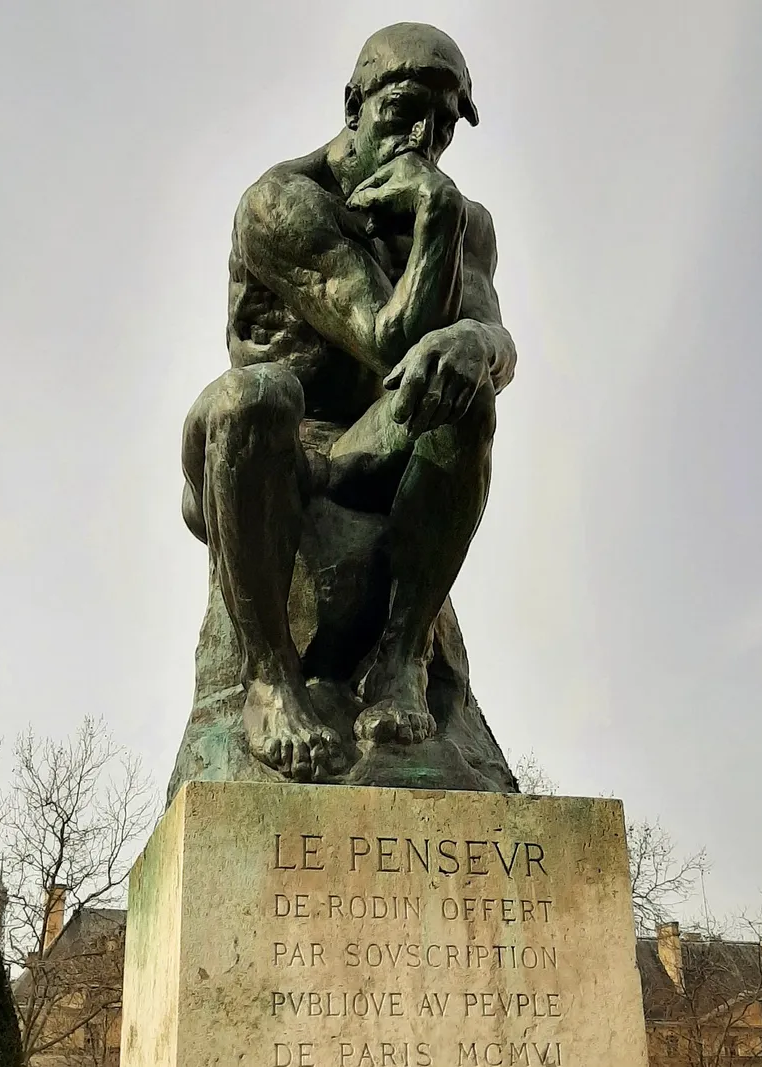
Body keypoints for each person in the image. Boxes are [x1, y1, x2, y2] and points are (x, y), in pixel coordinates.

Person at [181, 23, 517, 782]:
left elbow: (496, 340)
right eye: (404, 110)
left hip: (376, 444)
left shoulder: (469, 223)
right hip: (270, 453)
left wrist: (477, 343)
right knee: (254, 396)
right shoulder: (282, 202)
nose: (423, 139)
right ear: (353, 104)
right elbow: (386, 338)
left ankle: (402, 659)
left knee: (466, 396)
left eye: (444, 123)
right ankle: (270, 682)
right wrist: (434, 214)